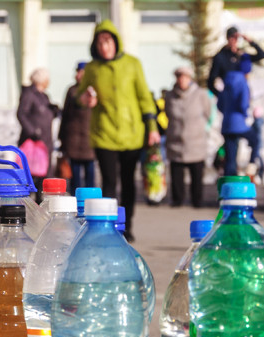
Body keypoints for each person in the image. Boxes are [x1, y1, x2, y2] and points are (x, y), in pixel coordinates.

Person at [77, 20, 159, 242]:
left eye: (108, 41)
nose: (105, 46)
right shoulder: (92, 68)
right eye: (100, 42)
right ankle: (110, 226)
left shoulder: (133, 64)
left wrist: (152, 126)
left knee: (128, 182)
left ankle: (128, 225)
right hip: (104, 134)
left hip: (132, 134)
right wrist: (85, 99)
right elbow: (81, 94)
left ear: (115, 41)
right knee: (110, 183)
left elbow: (144, 97)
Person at [164, 65, 209, 208]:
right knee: (176, 172)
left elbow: (207, 112)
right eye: (179, 77)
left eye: (185, 77)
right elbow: (167, 113)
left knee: (196, 173)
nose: (182, 80)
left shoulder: (200, 94)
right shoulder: (170, 95)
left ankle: (197, 200)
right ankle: (177, 199)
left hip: (195, 140)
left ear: (190, 78)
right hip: (176, 140)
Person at [17, 68, 59, 201]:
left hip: (45, 142)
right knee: (31, 174)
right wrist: (32, 131)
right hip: (33, 143)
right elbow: (21, 114)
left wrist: (53, 110)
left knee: (43, 175)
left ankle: (40, 202)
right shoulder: (29, 94)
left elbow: (43, 111)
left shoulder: (44, 95)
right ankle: (28, 203)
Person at [218, 54, 258, 177]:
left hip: (227, 124)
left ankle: (230, 184)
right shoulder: (243, 83)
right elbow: (243, 103)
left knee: (231, 156)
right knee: (255, 140)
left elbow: (220, 104)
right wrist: (245, 113)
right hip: (239, 123)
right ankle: (251, 165)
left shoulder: (227, 81)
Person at [59, 62, 96, 190]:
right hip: (73, 138)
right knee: (74, 171)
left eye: (81, 72)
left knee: (90, 171)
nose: (78, 75)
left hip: (89, 138)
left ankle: (89, 198)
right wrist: (61, 136)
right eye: (78, 71)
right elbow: (65, 115)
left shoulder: (93, 91)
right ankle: (75, 198)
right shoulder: (72, 90)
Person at [207, 25, 264, 97]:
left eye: (236, 38)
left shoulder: (242, 55)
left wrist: (250, 41)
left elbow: (262, 55)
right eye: (231, 37)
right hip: (229, 93)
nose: (234, 40)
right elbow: (211, 80)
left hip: (243, 92)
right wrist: (220, 96)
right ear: (227, 38)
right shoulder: (220, 57)